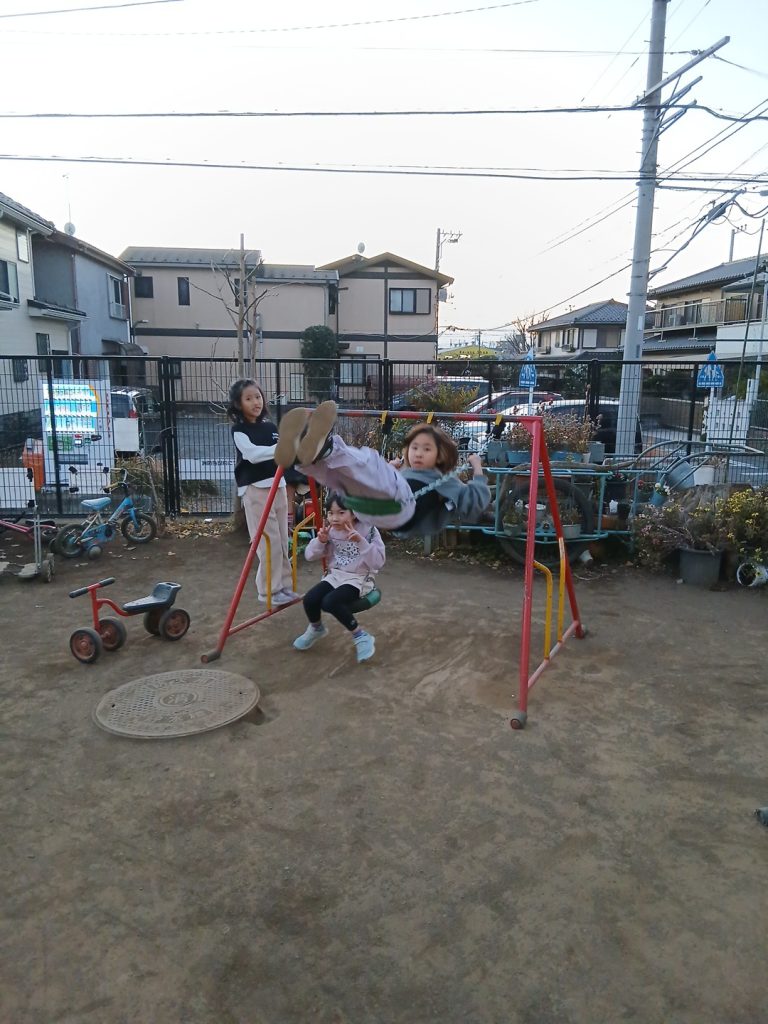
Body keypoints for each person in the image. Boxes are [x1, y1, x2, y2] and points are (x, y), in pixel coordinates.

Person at [274, 400, 490, 536]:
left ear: (440, 454)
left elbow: (475, 500)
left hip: (401, 512)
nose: (418, 453)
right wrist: (393, 470)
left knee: (371, 461)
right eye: (414, 447)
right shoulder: (404, 473)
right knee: (343, 480)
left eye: (426, 449)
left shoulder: (442, 479)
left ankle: (329, 449)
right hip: (366, 510)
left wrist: (477, 469)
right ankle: (305, 460)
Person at [228, 379, 299, 605]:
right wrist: (281, 448)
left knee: (283, 539)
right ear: (238, 404)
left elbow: (284, 455)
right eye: (248, 399)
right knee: (268, 542)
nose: (255, 402)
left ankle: (283, 586)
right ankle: (268, 590)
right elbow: (252, 455)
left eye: (258, 397)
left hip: (277, 486)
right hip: (256, 489)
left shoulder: (270, 427)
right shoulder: (239, 431)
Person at [293, 493, 385, 663]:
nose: (334, 518)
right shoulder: (330, 531)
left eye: (341, 513)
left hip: (359, 579)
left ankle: (361, 636)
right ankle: (316, 628)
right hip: (336, 575)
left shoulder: (368, 530)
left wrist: (361, 541)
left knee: (329, 602)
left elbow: (378, 562)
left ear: (354, 513)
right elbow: (309, 556)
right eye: (330, 513)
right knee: (310, 599)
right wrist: (320, 541)